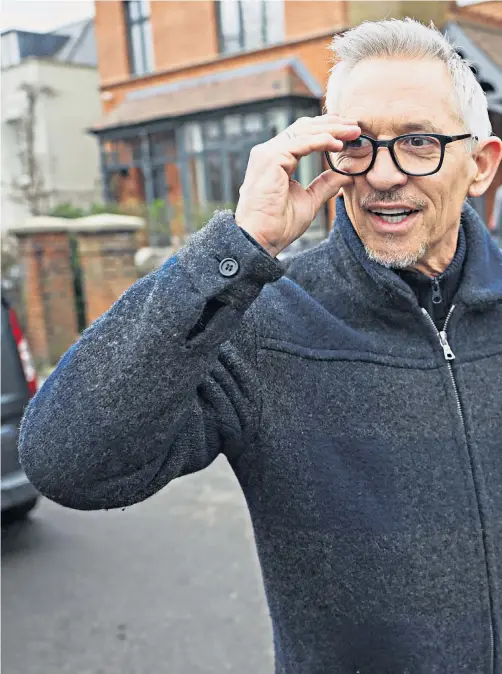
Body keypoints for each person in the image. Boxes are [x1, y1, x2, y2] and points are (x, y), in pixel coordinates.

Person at [18, 18, 502, 674]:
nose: (384, 175)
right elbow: (66, 459)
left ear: (480, 165)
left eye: (418, 142)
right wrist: (237, 249)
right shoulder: (262, 322)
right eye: (357, 144)